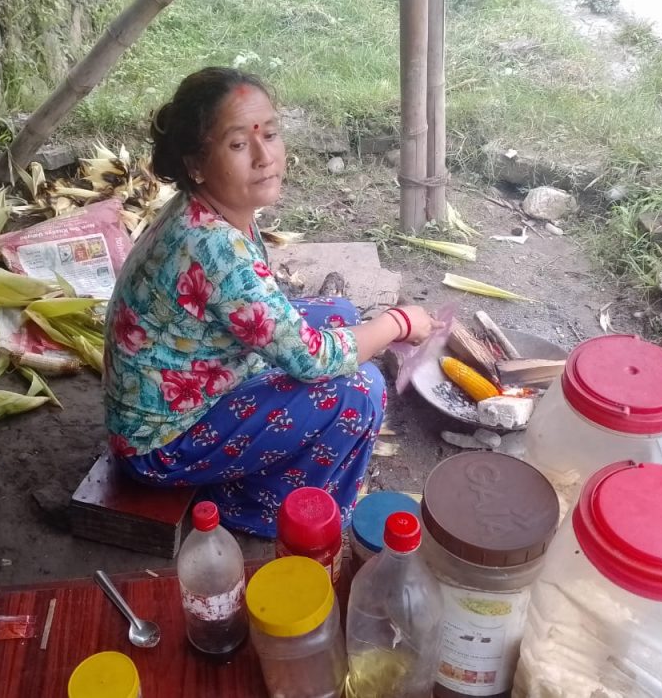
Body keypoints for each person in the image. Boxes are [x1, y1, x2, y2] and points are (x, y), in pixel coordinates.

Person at [103, 67, 441, 537]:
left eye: (272, 135)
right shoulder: (212, 248)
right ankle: (266, 511)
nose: (265, 157)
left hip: (198, 379)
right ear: (197, 164)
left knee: (338, 315)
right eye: (239, 144)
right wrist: (399, 322)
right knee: (358, 391)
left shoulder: (210, 210)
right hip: (162, 446)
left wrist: (374, 329)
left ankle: (260, 472)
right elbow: (314, 359)